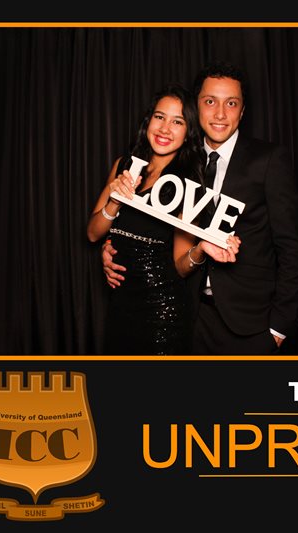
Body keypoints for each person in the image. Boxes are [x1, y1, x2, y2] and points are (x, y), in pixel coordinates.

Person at [103, 62, 298, 355]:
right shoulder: (181, 160)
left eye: (231, 103)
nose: (220, 114)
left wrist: (278, 328)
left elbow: (293, 249)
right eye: (210, 101)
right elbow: (151, 227)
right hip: (188, 317)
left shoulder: (268, 160)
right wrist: (114, 248)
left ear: (242, 110)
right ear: (195, 107)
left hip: (249, 325)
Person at [87, 83, 239, 355]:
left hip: (162, 311)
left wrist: (201, 249)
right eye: (160, 117)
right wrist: (115, 199)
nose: (165, 129)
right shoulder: (124, 165)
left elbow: (180, 266)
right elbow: (93, 233)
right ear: (149, 121)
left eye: (177, 122)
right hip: (120, 305)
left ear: (188, 132)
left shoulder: (188, 185)